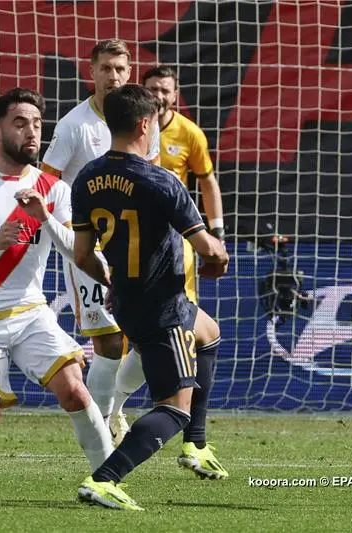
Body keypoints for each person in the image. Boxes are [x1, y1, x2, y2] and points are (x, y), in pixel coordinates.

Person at [0, 88, 114, 501]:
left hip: (31, 313)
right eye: (19, 123)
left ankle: (108, 479)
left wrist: (44, 217)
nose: (31, 132)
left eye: (36, 124)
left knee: (75, 388)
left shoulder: (54, 189)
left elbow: (77, 252)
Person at [71, 84, 229, 510]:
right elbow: (209, 250)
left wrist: (112, 279)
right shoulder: (162, 181)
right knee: (174, 408)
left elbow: (83, 254)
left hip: (125, 300)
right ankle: (106, 479)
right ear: (145, 124)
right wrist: (221, 256)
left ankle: (196, 444)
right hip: (163, 306)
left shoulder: (86, 178)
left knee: (209, 333)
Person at [108, 65, 228, 480]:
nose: (159, 95)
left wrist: (216, 234)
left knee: (199, 333)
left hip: (181, 247)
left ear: (175, 96)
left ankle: (194, 440)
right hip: (145, 256)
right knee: (157, 340)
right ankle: (129, 418)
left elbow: (208, 182)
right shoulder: (133, 149)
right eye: (153, 89)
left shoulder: (189, 134)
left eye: (166, 90)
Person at [41, 39, 159, 425]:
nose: (113, 76)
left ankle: (116, 410)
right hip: (90, 245)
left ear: (130, 72)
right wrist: (59, 233)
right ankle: (101, 427)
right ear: (91, 72)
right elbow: (45, 184)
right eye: (106, 68)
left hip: (136, 244)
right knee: (108, 341)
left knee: (147, 337)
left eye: (120, 69)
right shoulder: (74, 125)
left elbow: (153, 176)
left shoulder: (145, 119)